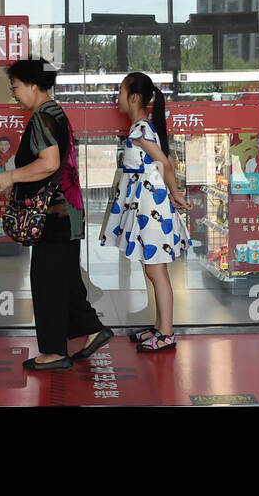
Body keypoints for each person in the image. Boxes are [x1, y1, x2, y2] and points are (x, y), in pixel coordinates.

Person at [0, 59, 109, 370]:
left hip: (52, 215)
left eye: (15, 86)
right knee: (66, 277)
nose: (13, 93)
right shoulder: (56, 113)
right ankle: (93, 330)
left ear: (32, 85)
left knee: (47, 280)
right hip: (66, 211)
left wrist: (11, 176)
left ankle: (55, 352)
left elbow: (49, 163)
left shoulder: (43, 118)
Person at [100, 72, 190, 352]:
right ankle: (160, 327)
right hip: (145, 208)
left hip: (150, 210)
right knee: (153, 270)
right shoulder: (141, 128)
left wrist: (176, 194)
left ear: (134, 97)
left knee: (156, 271)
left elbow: (166, 164)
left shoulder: (140, 129)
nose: (117, 98)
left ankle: (166, 334)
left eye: (120, 91)